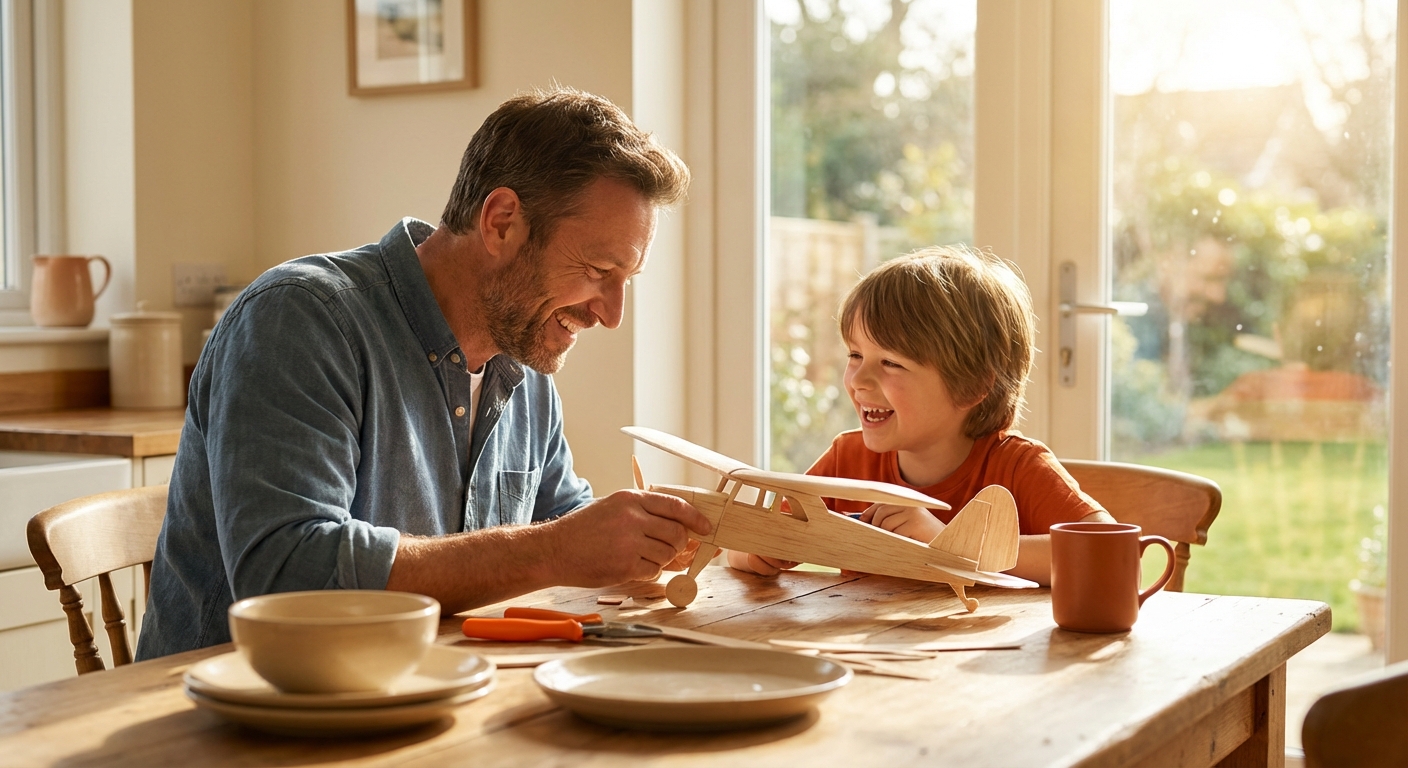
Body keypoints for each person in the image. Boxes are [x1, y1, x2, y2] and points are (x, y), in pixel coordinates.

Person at [136, 87, 712, 660]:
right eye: (597, 270)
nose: (610, 314)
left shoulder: (524, 365)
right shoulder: (300, 319)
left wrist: (721, 542)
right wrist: (551, 551)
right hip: (228, 728)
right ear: (502, 222)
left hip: (425, 705)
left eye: (625, 280)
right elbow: (287, 579)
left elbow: (564, 529)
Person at [729, 246, 1113, 585]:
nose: (859, 379)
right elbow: (738, 544)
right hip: (877, 659)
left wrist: (950, 544)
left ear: (972, 385)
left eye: (891, 363)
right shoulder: (847, 460)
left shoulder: (1017, 467)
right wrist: (758, 552)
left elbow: (1107, 555)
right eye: (855, 355)